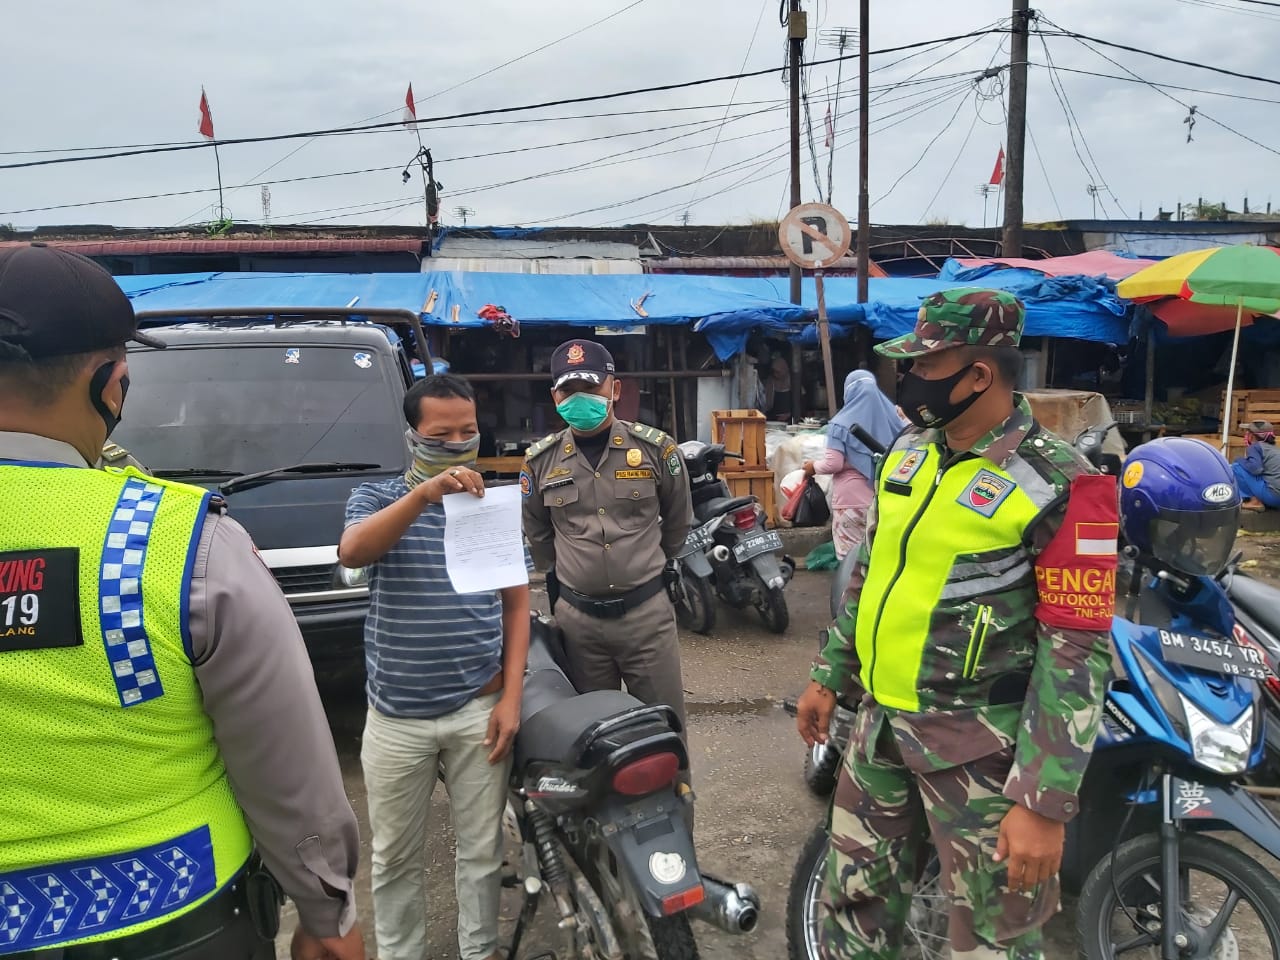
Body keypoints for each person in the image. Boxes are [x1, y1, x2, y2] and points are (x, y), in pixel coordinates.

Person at [0, 243, 363, 960]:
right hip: (181, 926)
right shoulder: (176, 540)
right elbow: (286, 764)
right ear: (111, 381)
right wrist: (328, 914)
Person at [794, 288, 1118, 960]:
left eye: (924, 364)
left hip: (980, 756)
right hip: (880, 731)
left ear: (980, 375)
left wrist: (1043, 799)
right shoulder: (909, 453)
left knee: (993, 941)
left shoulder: (1063, 484)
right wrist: (830, 675)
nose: (906, 379)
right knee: (852, 913)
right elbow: (871, 574)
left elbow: (1078, 649)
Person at [338, 374, 529, 960]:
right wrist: (422, 496)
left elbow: (517, 602)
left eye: (467, 431)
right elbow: (353, 552)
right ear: (412, 437)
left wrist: (511, 699)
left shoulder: (492, 507)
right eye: (440, 433)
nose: (456, 442)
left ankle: (480, 950)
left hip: (478, 706)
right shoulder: (377, 498)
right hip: (396, 717)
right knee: (394, 857)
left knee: (481, 850)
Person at [521, 339, 694, 760]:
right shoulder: (539, 462)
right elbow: (539, 535)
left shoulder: (657, 449)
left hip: (646, 618)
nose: (580, 399)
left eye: (591, 387)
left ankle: (676, 820)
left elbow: (678, 521)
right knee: (593, 742)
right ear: (555, 397)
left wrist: (646, 566)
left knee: (663, 733)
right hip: (579, 625)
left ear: (615, 389)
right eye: (568, 390)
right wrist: (573, 577)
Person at [803, 370, 907, 558]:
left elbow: (833, 464)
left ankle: (852, 589)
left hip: (850, 503)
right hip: (883, 500)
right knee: (878, 557)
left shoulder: (839, 423)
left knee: (850, 559)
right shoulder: (895, 420)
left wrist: (812, 467)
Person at [1232, 419, 1280, 512]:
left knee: (1236, 466)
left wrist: (1239, 460)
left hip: (1273, 497)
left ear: (1252, 436)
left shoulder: (1255, 447)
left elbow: (1256, 469)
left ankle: (1254, 502)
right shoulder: (1276, 449)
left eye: (1247, 432)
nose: (1246, 435)